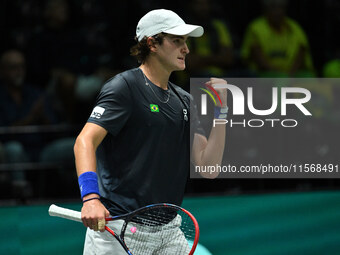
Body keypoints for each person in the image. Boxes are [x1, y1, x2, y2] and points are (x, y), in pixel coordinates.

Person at [74, 9, 228, 254]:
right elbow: (84, 141)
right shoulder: (124, 87)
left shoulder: (186, 102)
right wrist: (90, 198)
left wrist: (221, 114)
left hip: (168, 230)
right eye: (177, 41)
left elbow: (208, 168)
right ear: (152, 43)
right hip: (120, 228)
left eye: (186, 42)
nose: (186, 49)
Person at [241, 0, 314, 77]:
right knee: (281, 78)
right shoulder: (256, 28)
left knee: (308, 76)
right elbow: (260, 61)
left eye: (281, 7)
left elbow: (301, 53)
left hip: (292, 72)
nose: (277, 11)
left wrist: (290, 74)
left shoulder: (294, 27)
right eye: (273, 7)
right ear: (265, 9)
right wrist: (281, 73)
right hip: (265, 73)